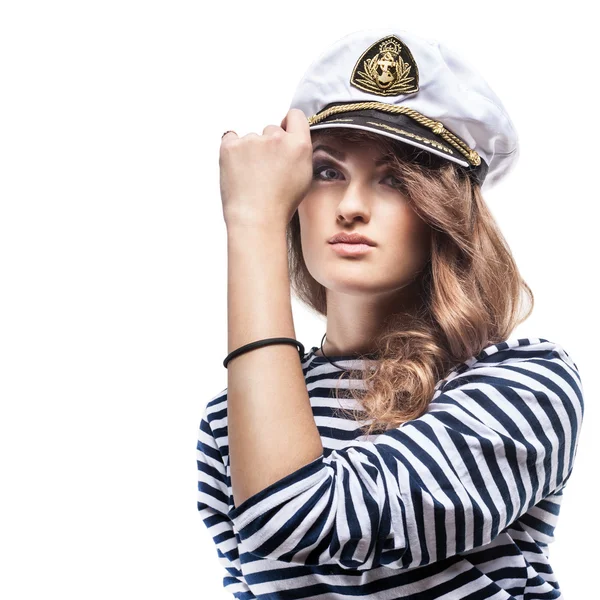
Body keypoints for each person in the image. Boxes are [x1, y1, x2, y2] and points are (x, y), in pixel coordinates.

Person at [197, 28, 584, 599]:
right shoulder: (230, 416)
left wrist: (251, 225)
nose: (350, 207)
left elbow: (297, 520)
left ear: (444, 210)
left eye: (395, 179)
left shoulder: (525, 386)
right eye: (327, 172)